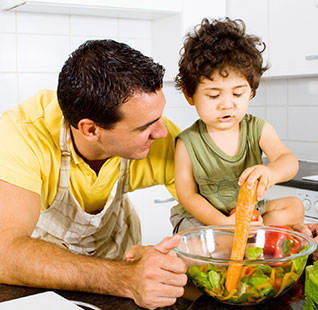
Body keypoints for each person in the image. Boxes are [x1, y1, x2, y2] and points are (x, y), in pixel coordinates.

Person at [0, 39, 188, 309]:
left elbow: (221, 218)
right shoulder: (22, 134)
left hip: (122, 271)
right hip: (37, 283)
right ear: (90, 130)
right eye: (145, 127)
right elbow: (5, 253)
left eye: (159, 117)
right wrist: (125, 279)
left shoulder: (162, 138)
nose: (161, 132)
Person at [170, 17, 304, 233]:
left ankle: (252, 238)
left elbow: (288, 161)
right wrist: (223, 223)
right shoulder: (187, 142)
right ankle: (245, 240)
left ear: (250, 92)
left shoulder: (258, 129)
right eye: (214, 95)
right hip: (205, 219)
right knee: (202, 240)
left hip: (247, 212)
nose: (227, 105)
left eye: (238, 93)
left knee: (294, 206)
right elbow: (188, 196)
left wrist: (271, 172)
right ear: (189, 95)